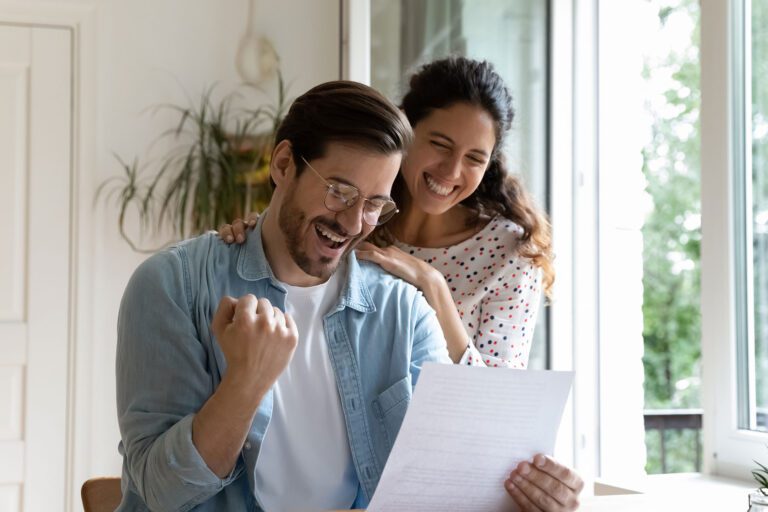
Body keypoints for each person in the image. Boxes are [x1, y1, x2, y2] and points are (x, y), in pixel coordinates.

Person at [219, 57, 581, 511]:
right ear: (405, 133)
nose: (451, 171)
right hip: (336, 464)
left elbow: (494, 411)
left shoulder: (510, 253)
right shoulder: (361, 221)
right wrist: (251, 234)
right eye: (440, 145)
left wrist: (435, 290)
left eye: (474, 158)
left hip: (439, 475)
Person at [116, 80, 451, 511]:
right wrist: (247, 380)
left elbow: (451, 477)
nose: (353, 222)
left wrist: (528, 491)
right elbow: (163, 494)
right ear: (283, 163)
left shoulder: (404, 312)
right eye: (340, 192)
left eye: (373, 204)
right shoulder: (173, 285)